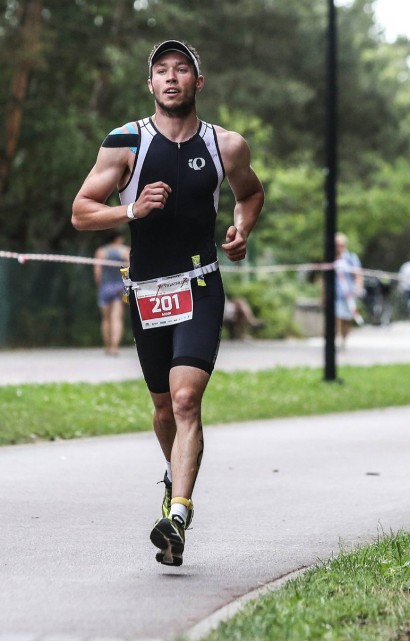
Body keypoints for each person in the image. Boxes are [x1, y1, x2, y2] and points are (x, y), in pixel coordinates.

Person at [71, 40, 264, 567]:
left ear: (198, 83)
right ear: (150, 84)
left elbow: (250, 193)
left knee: (184, 401)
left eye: (183, 70)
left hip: (200, 284)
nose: (172, 78)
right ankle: (174, 485)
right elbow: (82, 211)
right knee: (162, 409)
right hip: (147, 292)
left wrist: (242, 228)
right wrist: (131, 209)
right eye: (162, 71)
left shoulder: (227, 146)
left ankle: (178, 512)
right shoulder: (125, 142)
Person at [93, 231, 130, 355]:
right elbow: (129, 269)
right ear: (119, 238)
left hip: (105, 287)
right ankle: (115, 347)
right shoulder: (125, 251)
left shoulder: (101, 251)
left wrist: (100, 286)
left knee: (105, 319)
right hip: (121, 287)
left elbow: (97, 272)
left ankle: (107, 346)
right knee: (117, 318)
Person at [333, 232, 364, 348]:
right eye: (336, 244)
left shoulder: (351, 258)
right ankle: (334, 340)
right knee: (336, 317)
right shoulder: (331, 258)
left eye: (340, 244)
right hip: (335, 293)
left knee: (346, 319)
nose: (338, 247)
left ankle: (344, 341)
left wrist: (358, 287)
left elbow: (358, 274)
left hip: (348, 294)